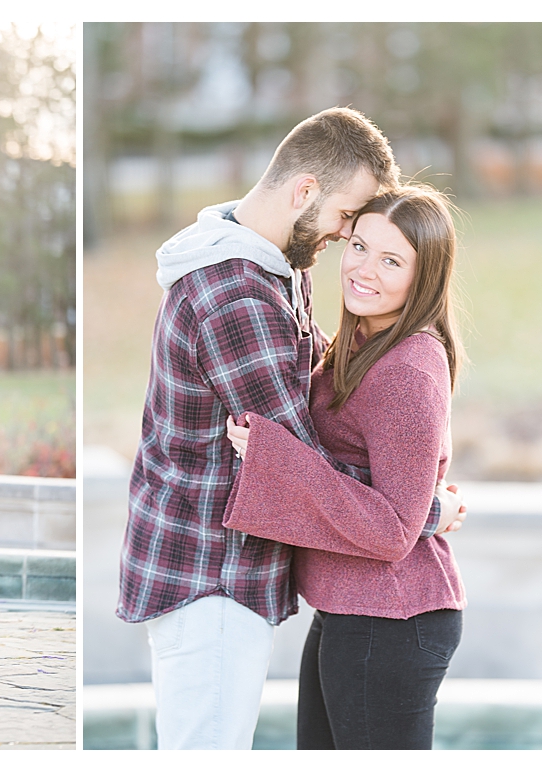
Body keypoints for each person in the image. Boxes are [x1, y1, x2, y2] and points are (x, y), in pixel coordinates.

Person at [117, 107, 464, 749]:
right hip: (211, 571)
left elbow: (316, 434)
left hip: (239, 571)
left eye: (388, 255)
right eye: (348, 227)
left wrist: (410, 501)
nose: (342, 242)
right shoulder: (240, 294)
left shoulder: (272, 269)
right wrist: (422, 508)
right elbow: (298, 457)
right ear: (305, 192)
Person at [224, 186, 466, 750]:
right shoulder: (364, 343)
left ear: (424, 276)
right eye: (359, 246)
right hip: (355, 612)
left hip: (391, 620)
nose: (364, 269)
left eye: (391, 260)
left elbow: (391, 529)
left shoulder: (406, 371)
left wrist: (274, 459)